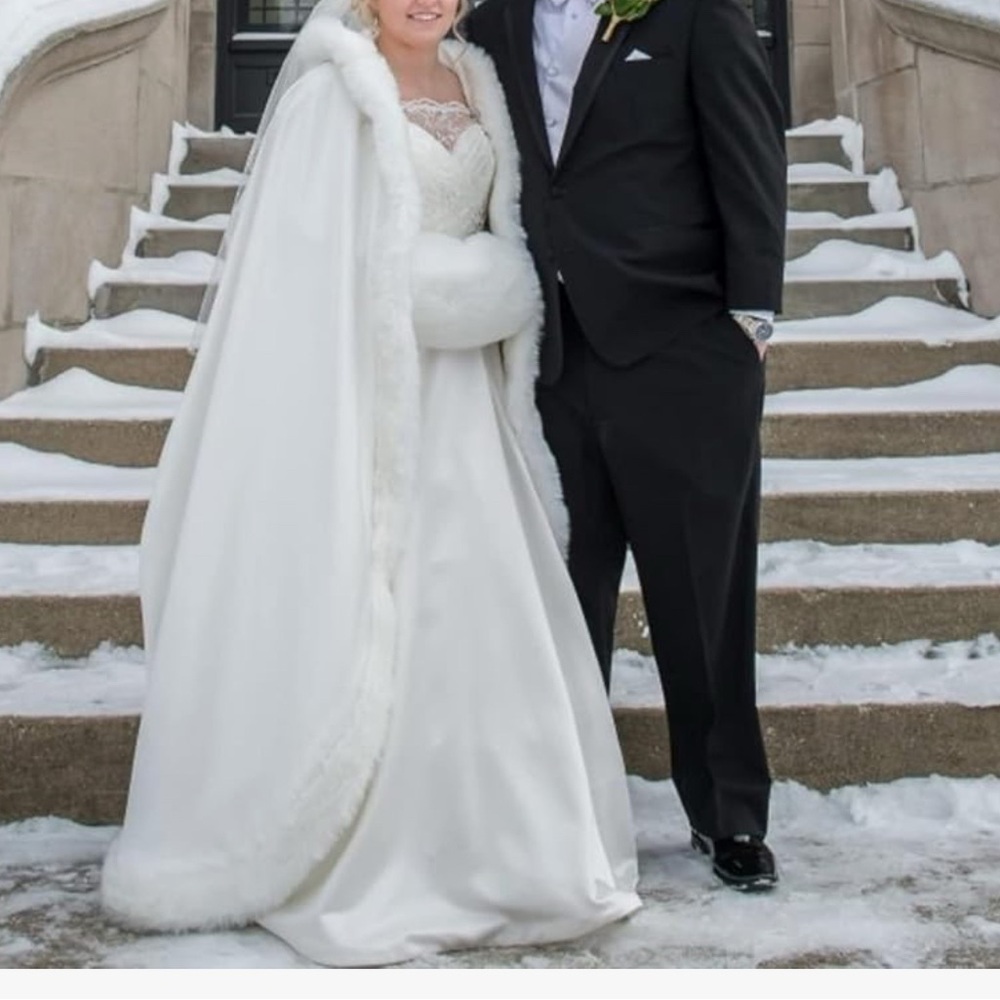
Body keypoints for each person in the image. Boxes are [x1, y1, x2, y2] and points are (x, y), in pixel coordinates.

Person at [99, 0, 640, 967]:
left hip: (471, 404)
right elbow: (307, 273)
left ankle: (501, 844)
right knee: (384, 601)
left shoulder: (480, 80)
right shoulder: (332, 96)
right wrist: (459, 291)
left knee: (482, 607)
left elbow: (508, 226)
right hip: (372, 403)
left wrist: (493, 288)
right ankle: (360, 842)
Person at [464, 0, 788, 890]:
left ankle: (727, 816)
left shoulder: (696, 14)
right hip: (548, 358)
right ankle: (564, 808)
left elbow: (750, 151)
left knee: (702, 597)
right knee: (563, 601)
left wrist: (749, 320)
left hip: (682, 346)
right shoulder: (489, 27)